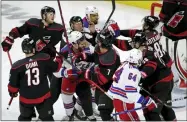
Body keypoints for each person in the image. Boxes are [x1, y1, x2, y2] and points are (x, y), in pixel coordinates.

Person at [1, 6, 66, 106]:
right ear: (44, 15)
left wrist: (64, 53)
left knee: (56, 87)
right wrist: (10, 38)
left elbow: (68, 39)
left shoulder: (58, 28)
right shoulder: (33, 23)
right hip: (33, 61)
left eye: (53, 14)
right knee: (32, 86)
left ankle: (50, 108)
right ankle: (33, 109)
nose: (53, 16)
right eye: (50, 14)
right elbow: (18, 30)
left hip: (48, 62)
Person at [7, 38, 63, 121]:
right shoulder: (44, 58)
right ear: (33, 49)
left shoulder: (17, 66)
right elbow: (56, 68)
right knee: (47, 118)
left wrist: (13, 93)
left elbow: (12, 86)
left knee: (24, 118)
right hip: (43, 97)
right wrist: (59, 58)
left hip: (26, 99)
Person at [76, 30, 121, 121]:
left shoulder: (110, 58)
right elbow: (96, 57)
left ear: (100, 43)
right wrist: (85, 57)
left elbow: (103, 79)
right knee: (93, 97)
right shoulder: (100, 49)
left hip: (110, 88)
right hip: (102, 85)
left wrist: (87, 72)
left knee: (104, 111)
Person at [132, 32, 177, 121]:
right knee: (165, 108)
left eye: (136, 43)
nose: (134, 45)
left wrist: (138, 76)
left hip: (160, 84)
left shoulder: (147, 53)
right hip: (166, 80)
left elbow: (150, 66)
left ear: (143, 43)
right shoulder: (146, 49)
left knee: (151, 112)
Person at [54, 31, 96, 121]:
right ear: (74, 44)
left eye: (83, 40)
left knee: (86, 96)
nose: (84, 43)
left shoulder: (89, 49)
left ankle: (84, 113)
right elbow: (54, 70)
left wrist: (90, 68)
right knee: (67, 100)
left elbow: (97, 62)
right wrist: (65, 72)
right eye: (81, 42)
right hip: (69, 79)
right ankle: (70, 116)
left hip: (82, 77)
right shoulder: (64, 51)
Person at [108, 48, 157, 121]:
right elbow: (131, 94)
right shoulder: (133, 71)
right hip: (124, 102)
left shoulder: (124, 64)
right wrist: (146, 102)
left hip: (118, 99)